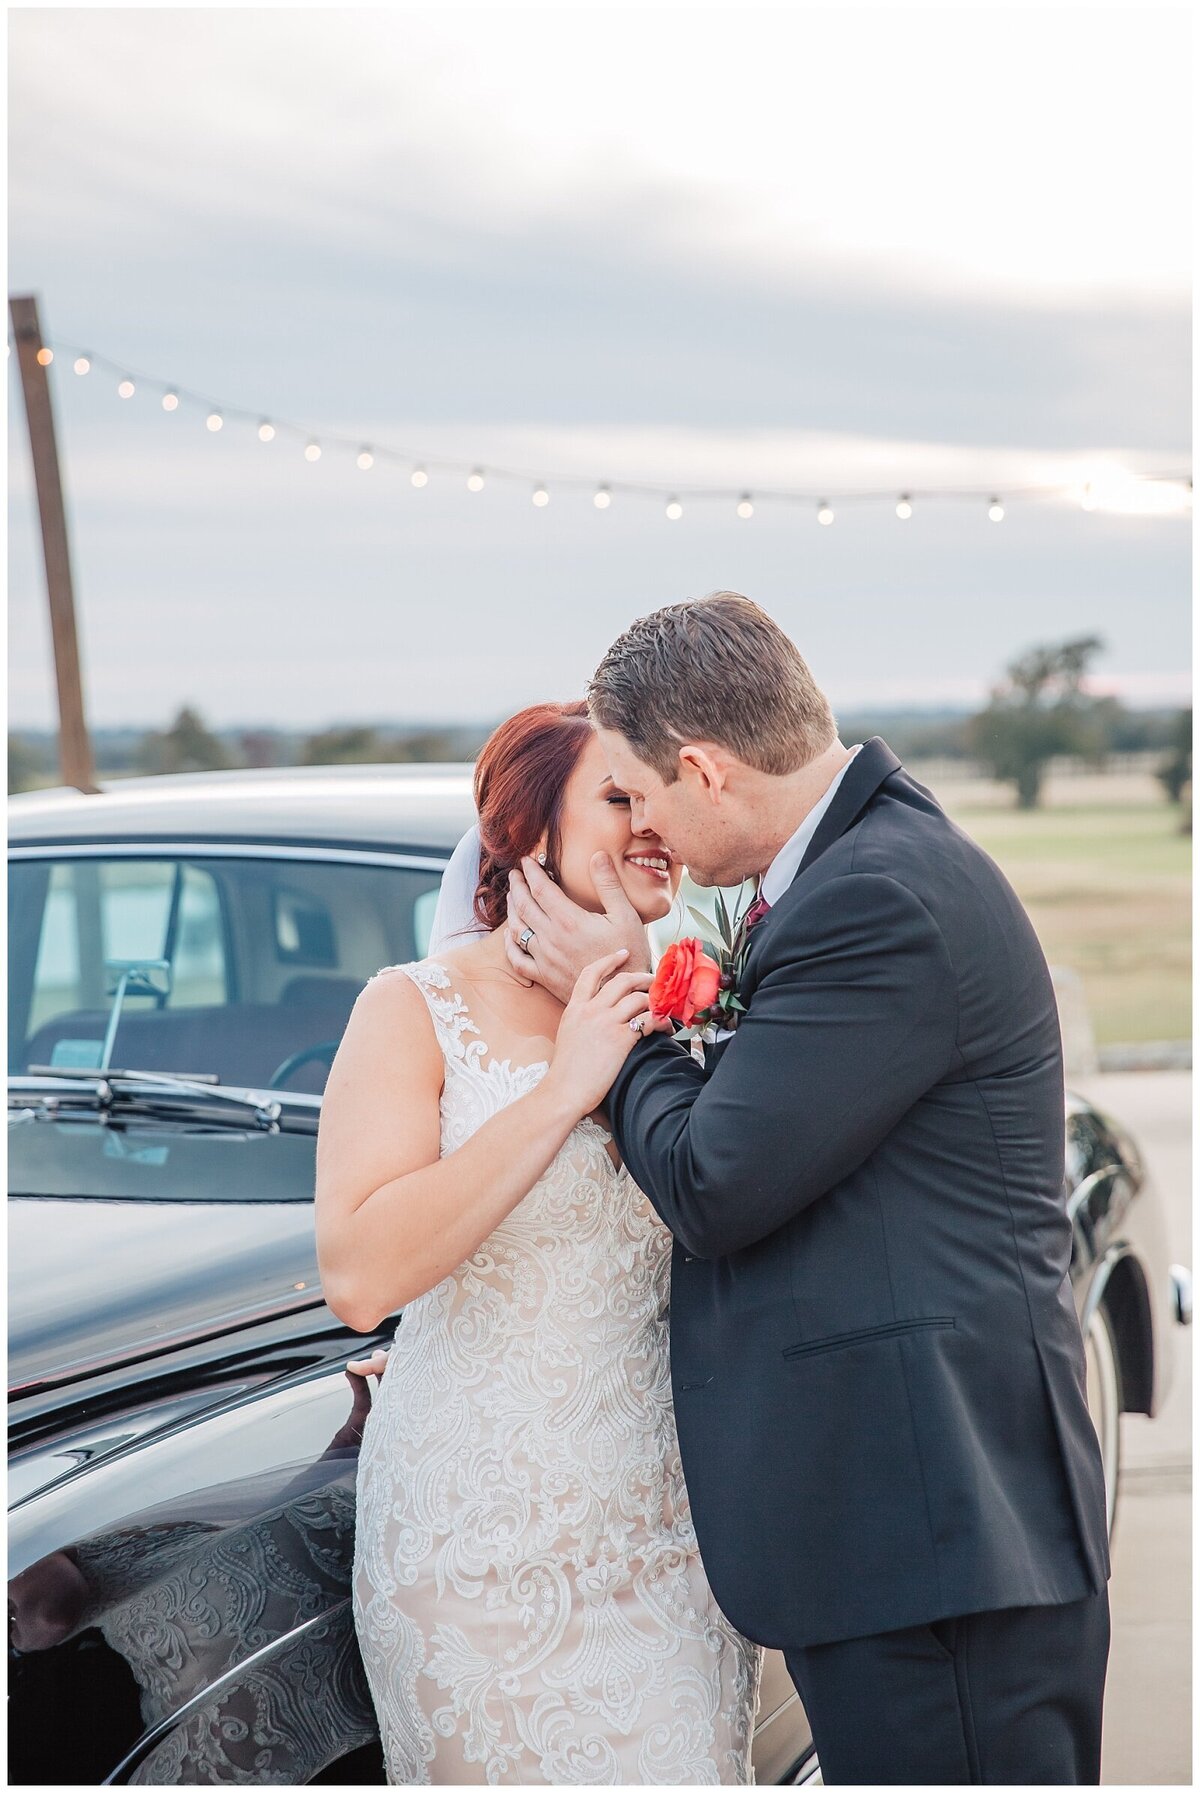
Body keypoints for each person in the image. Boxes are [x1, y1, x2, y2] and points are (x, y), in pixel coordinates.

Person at [504, 593, 1112, 1786]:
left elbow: (714, 1177)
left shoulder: (876, 895)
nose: (646, 828)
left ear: (704, 768)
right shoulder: (857, 866)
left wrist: (619, 1023)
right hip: (909, 1532)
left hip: (936, 1540)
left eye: (640, 792)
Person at [315, 700, 762, 1786]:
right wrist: (565, 1086)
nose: (650, 817)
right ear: (523, 830)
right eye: (618, 797)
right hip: (474, 1553)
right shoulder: (412, 1008)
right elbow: (360, 1273)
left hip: (673, 1548)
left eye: (655, 791)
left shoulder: (699, 1011)